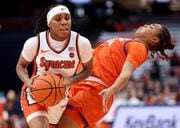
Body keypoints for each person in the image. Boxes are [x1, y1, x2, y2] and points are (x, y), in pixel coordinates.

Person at [56, 23, 175, 128]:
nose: (145, 26)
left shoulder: (140, 47)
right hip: (84, 85)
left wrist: (111, 90)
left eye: (150, 27)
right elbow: (95, 56)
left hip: (95, 91)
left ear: (154, 39)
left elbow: (126, 72)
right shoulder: (128, 43)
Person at [16, 4, 93, 128]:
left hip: (61, 96)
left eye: (67, 18)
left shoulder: (81, 43)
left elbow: (88, 70)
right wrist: (28, 81)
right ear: (49, 23)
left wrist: (71, 81)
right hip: (36, 93)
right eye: (58, 19)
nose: (64, 22)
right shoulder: (35, 42)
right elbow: (21, 66)